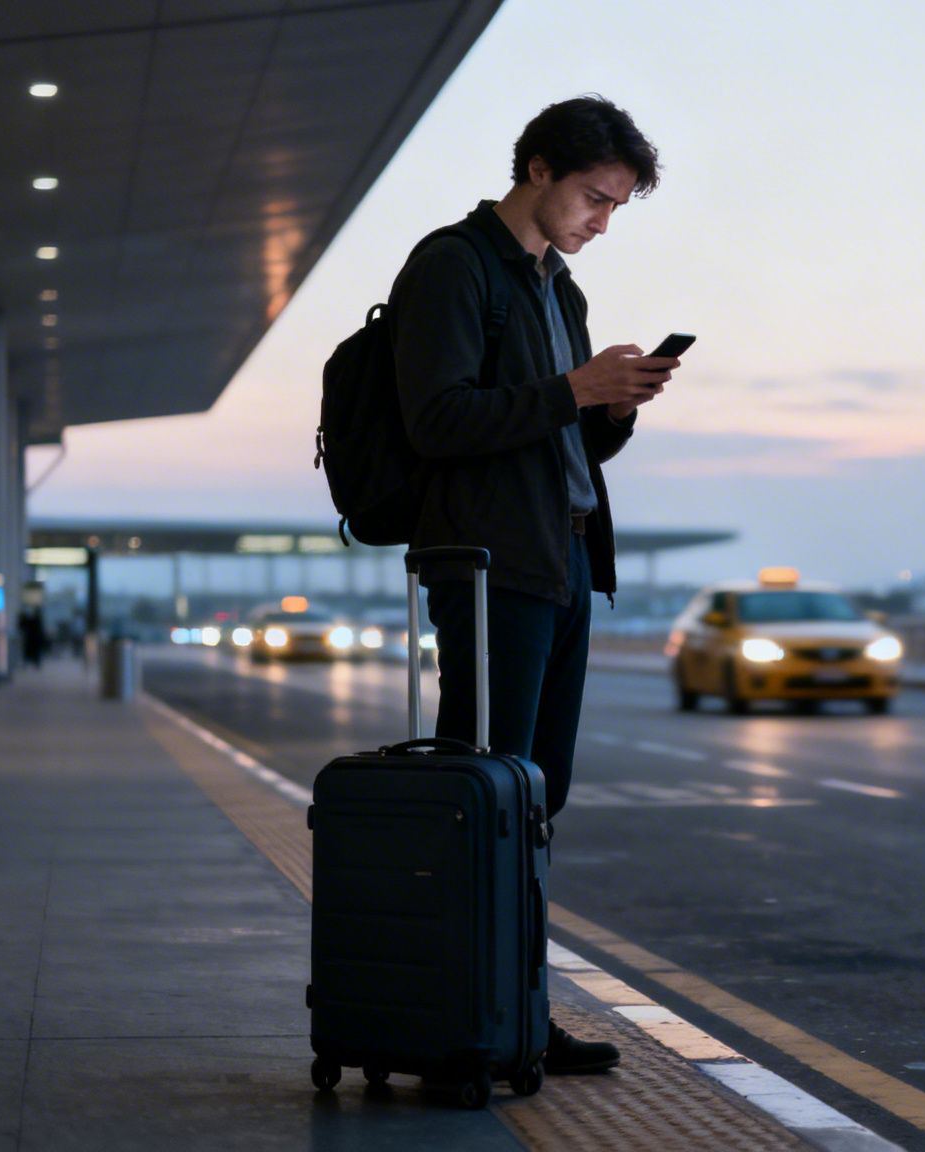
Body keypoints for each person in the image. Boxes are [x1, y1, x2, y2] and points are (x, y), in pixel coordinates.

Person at [390, 95, 673, 1075]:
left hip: (559, 563)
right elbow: (437, 420)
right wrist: (572, 390)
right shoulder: (453, 267)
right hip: (483, 573)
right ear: (539, 169)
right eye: (594, 198)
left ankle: (518, 1012)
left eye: (615, 209)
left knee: (535, 801)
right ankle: (465, 1017)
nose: (600, 221)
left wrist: (612, 405)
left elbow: (565, 437)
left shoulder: (560, 292)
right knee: (485, 793)